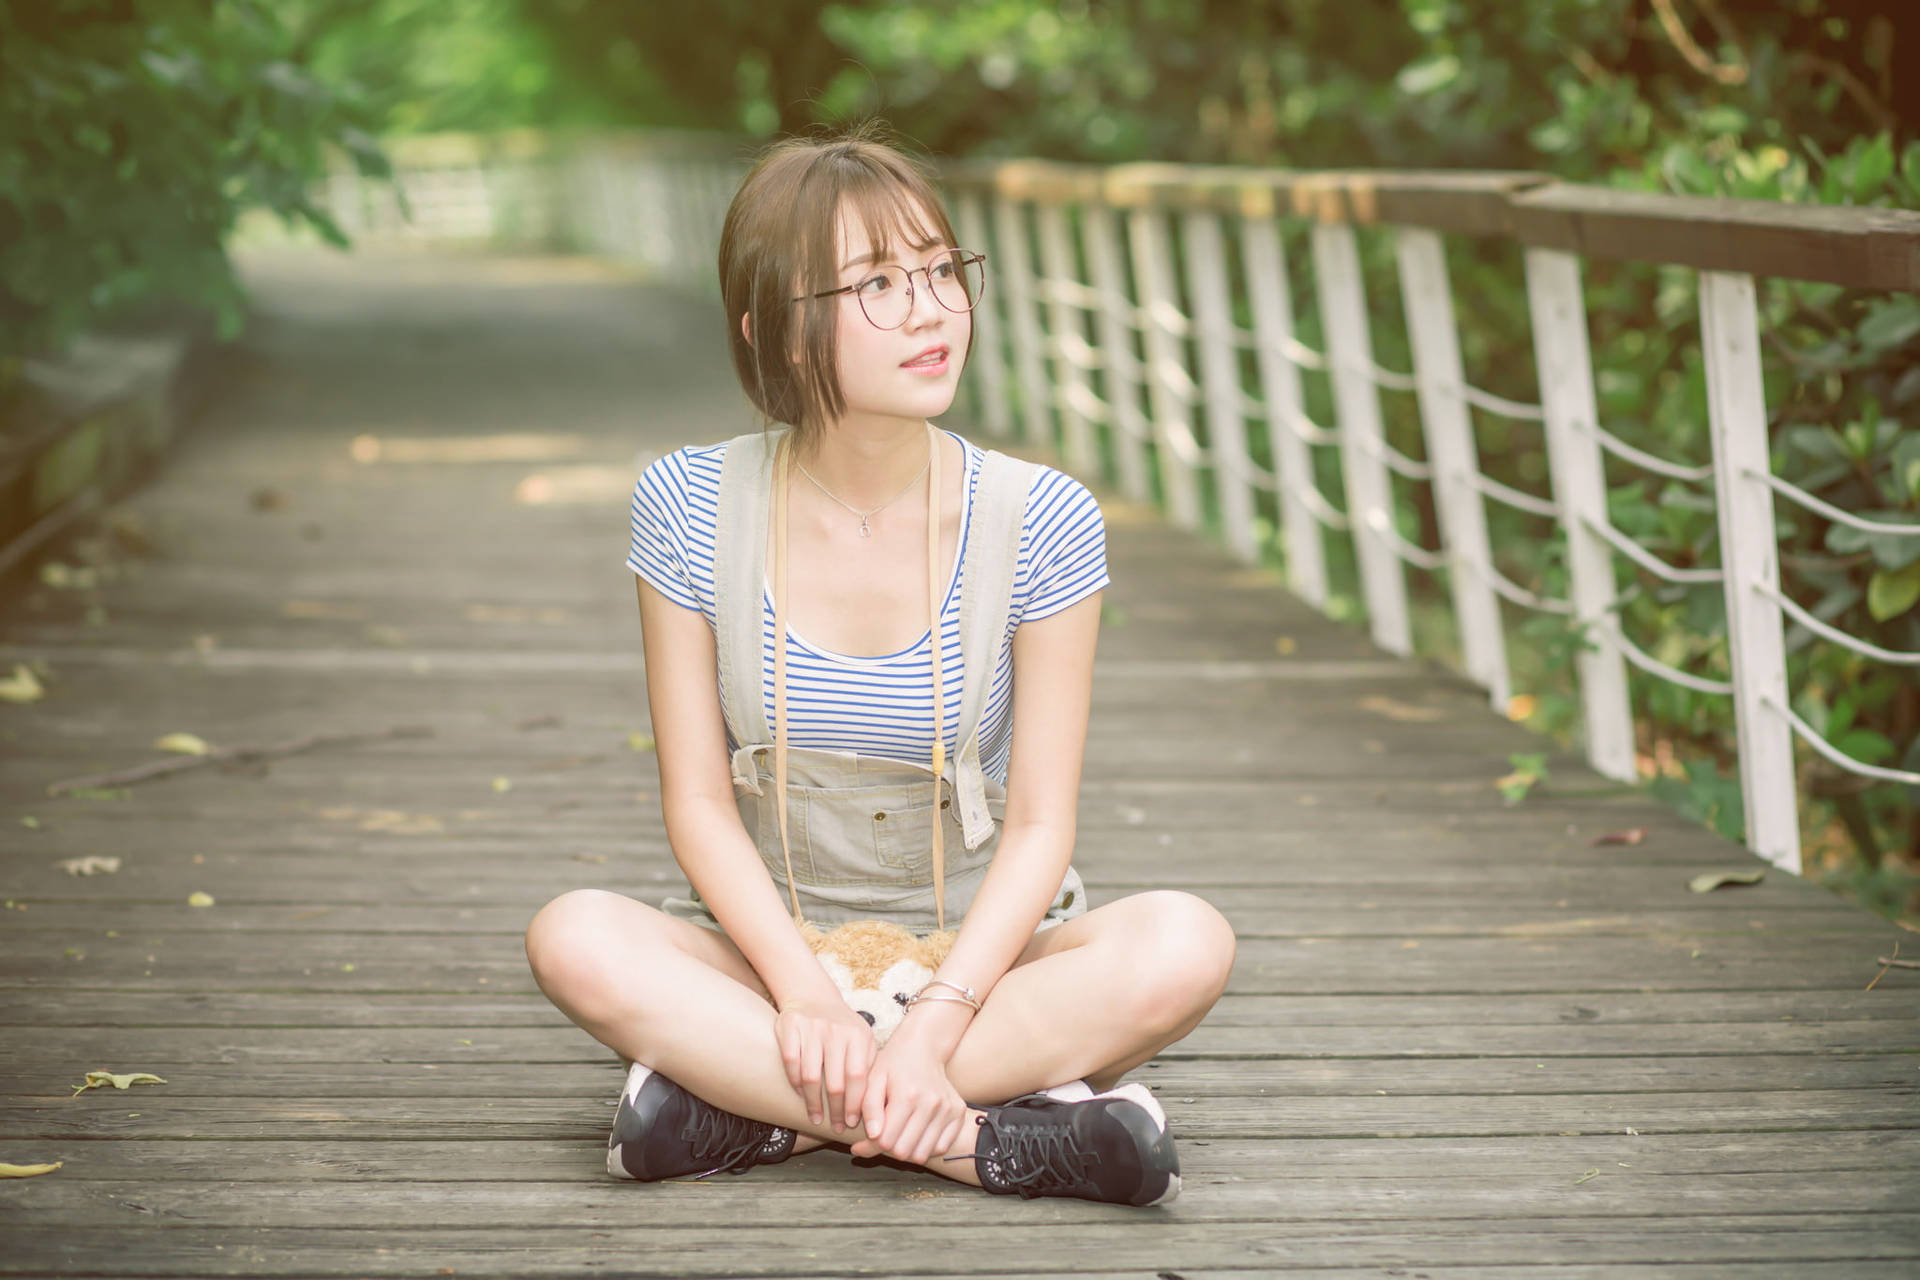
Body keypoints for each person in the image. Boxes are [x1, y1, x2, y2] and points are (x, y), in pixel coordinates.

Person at [523, 122, 1235, 1207]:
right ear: (773, 330)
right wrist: (806, 996)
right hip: (772, 958)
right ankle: (989, 1138)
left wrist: (939, 1011)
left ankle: (754, 1116)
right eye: (877, 283)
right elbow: (700, 807)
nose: (933, 308)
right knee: (573, 934)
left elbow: (1043, 823)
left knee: (1185, 941)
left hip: (988, 963)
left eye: (942, 270)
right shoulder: (688, 503)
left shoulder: (1040, 516)